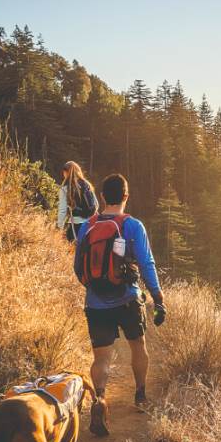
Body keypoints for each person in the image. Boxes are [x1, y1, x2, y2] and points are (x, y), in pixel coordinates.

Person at [75, 173, 166, 407]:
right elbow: (146, 264)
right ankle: (140, 396)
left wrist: (94, 286)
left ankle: (100, 400)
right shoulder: (133, 225)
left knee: (101, 357)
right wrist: (157, 297)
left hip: (95, 303)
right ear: (126, 196)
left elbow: (78, 265)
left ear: (102, 196)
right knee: (138, 345)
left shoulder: (87, 226)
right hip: (127, 298)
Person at [57, 161, 98, 242]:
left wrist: (59, 227)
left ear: (65, 172)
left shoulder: (65, 188)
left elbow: (62, 211)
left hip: (75, 226)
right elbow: (96, 204)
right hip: (90, 225)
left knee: (74, 252)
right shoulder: (87, 184)